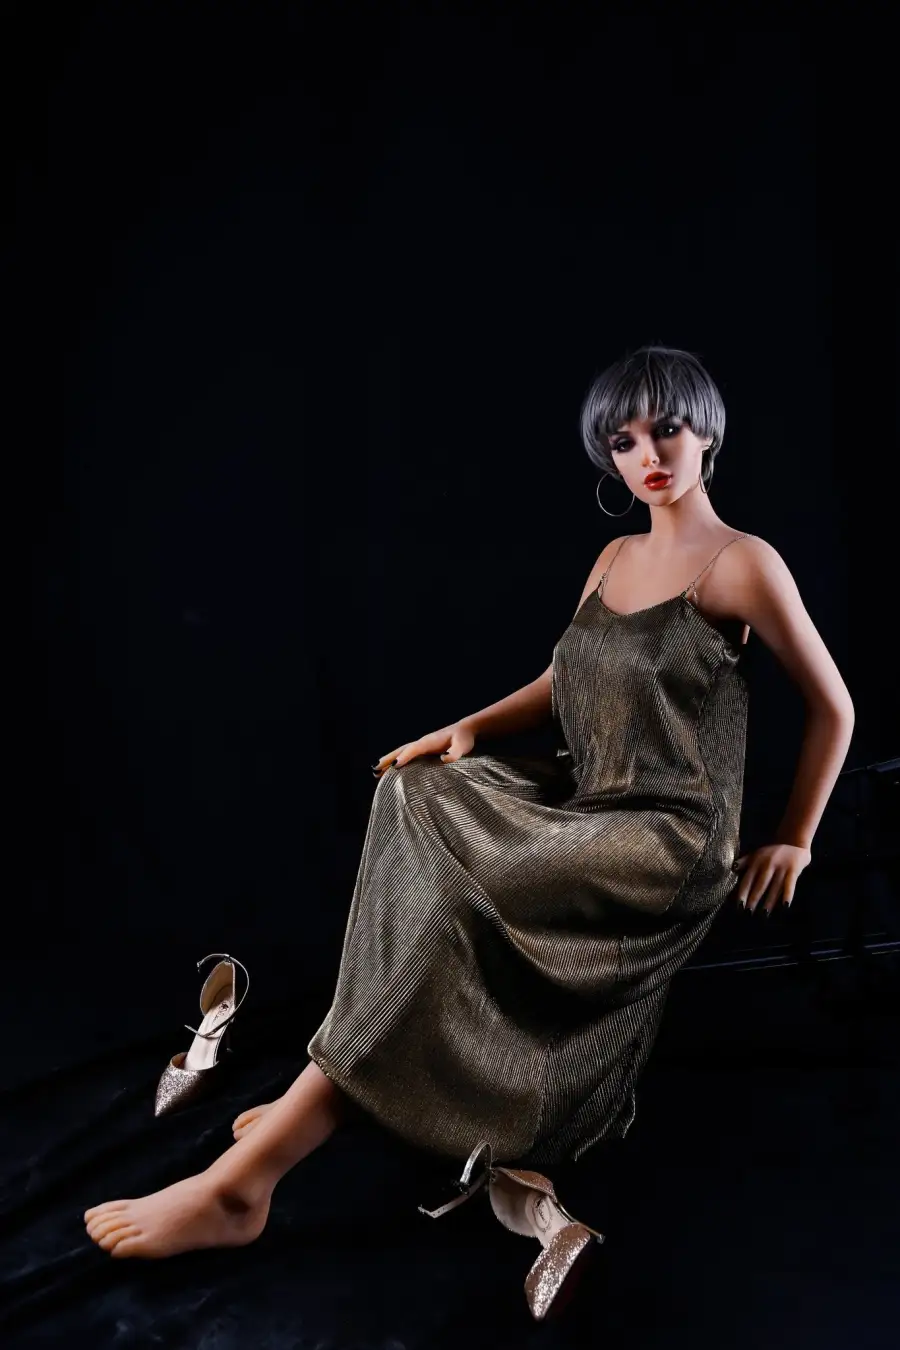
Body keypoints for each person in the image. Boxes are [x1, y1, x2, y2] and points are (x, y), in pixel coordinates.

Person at [84, 345, 855, 1260]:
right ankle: (342, 1091)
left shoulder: (743, 563)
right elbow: (566, 679)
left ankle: (246, 1179)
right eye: (623, 441)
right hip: (587, 798)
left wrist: (794, 837)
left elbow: (834, 706)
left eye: (668, 429)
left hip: (669, 835)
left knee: (452, 893)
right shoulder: (614, 556)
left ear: (708, 433)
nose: (648, 455)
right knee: (411, 794)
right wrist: (470, 727)